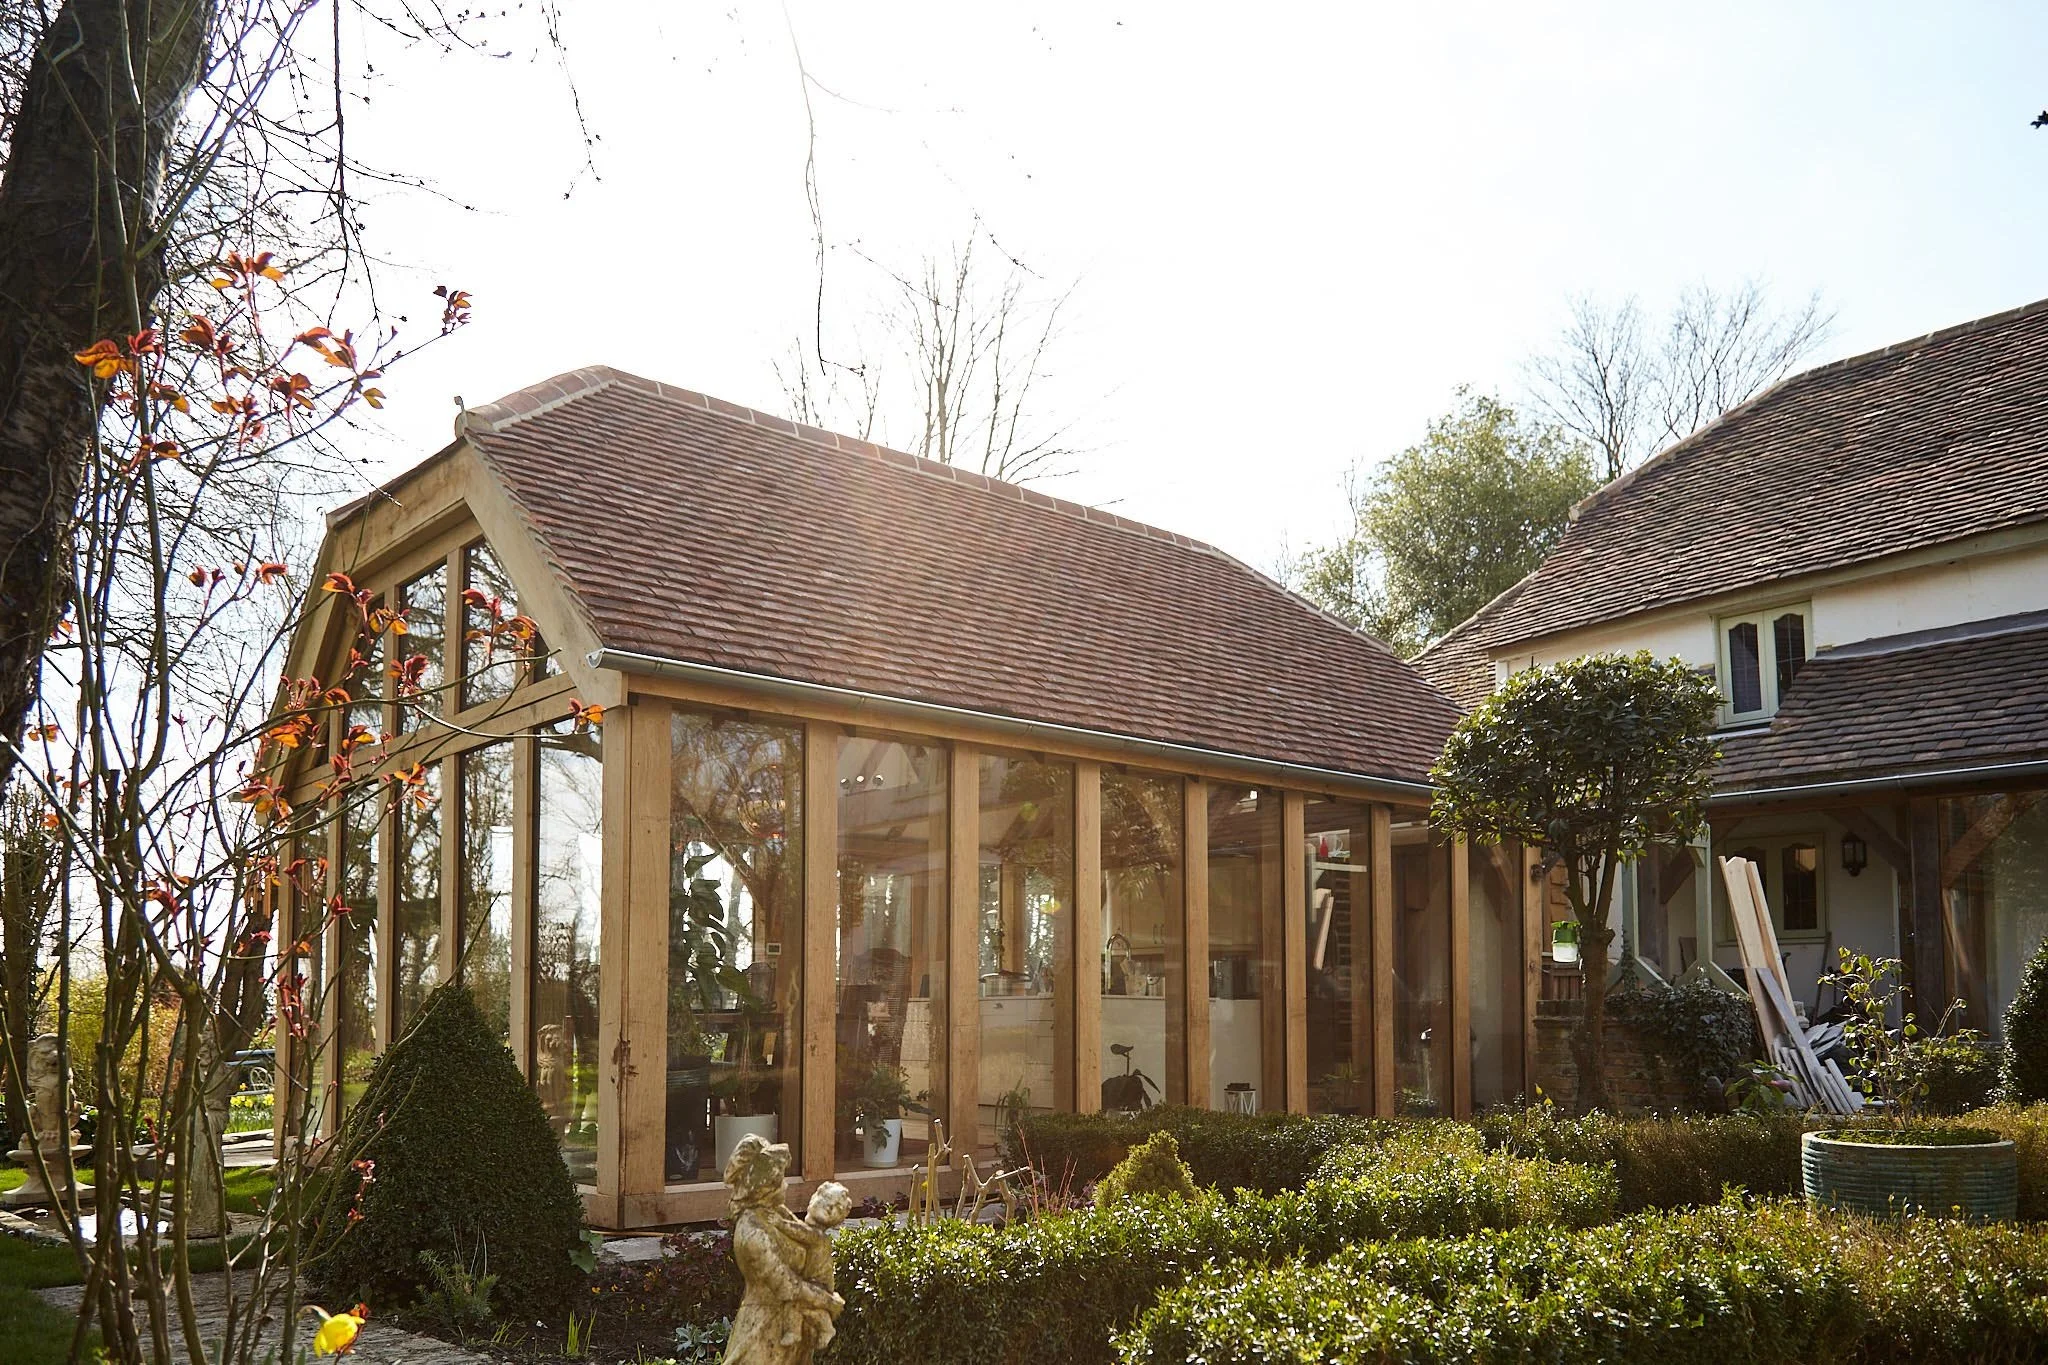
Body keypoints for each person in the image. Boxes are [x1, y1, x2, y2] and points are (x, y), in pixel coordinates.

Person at [720, 1134, 843, 1365]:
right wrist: (827, 1302)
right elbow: (787, 1285)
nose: (786, 1185)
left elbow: (812, 1242)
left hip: (790, 1331)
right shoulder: (752, 1232)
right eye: (782, 1180)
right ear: (767, 1187)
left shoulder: (777, 1212)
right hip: (765, 1333)